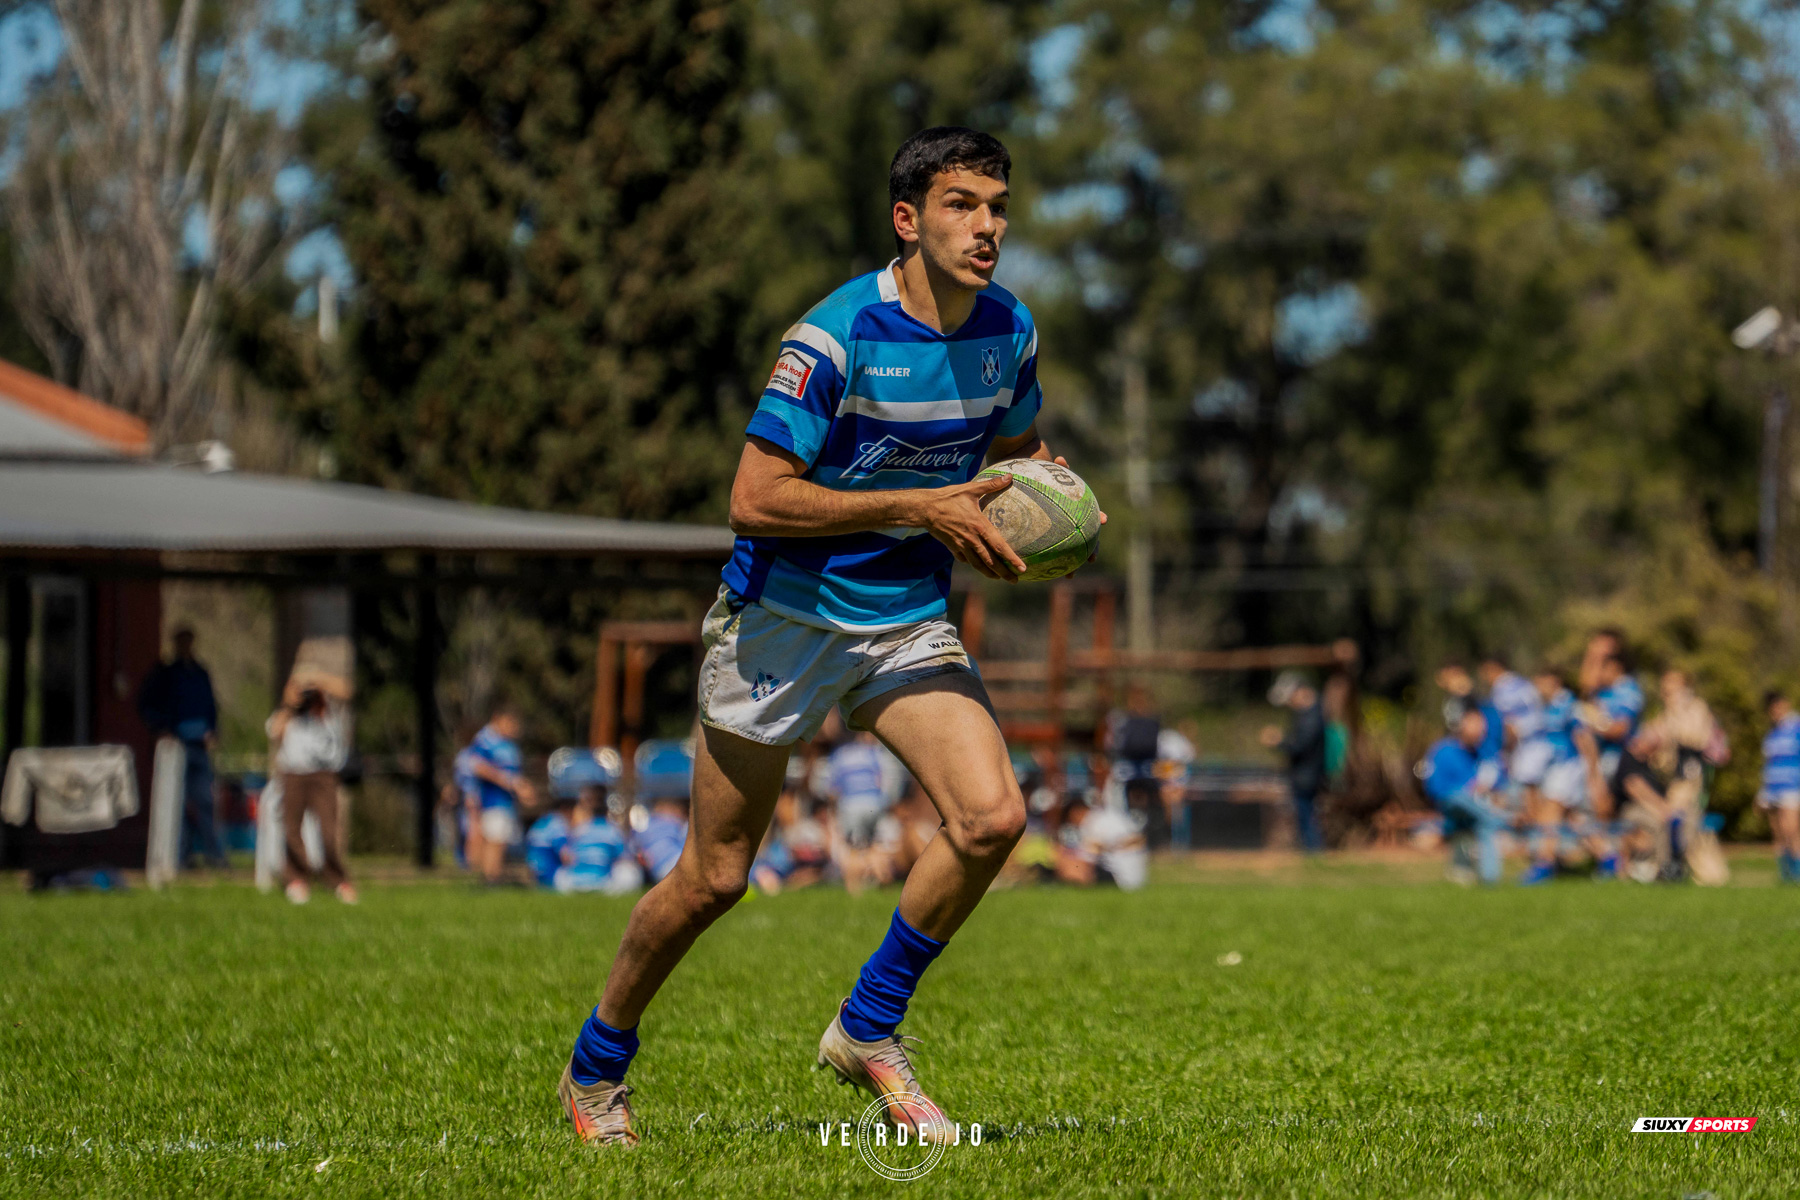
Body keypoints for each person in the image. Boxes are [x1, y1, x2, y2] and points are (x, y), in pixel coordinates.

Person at [556, 127, 1102, 1146]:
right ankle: (596, 1067)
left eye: (998, 206)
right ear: (908, 219)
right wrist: (919, 507)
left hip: (904, 622)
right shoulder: (833, 338)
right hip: (782, 621)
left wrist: (1061, 506)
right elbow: (754, 499)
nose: (987, 227)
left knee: (990, 819)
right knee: (715, 878)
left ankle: (868, 1028)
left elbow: (1020, 451)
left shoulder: (1010, 331)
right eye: (961, 205)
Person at [137, 627, 225, 869]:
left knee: (205, 799)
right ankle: (181, 856)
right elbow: (145, 704)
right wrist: (162, 728)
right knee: (177, 801)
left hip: (200, 745)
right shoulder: (164, 673)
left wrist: (213, 730)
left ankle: (215, 855)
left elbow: (210, 705)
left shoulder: (200, 672)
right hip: (176, 746)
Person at [265, 669, 356, 904]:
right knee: (291, 827)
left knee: (328, 829)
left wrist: (317, 682)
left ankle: (337, 879)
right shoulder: (289, 713)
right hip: (294, 773)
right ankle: (296, 878)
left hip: (324, 774)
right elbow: (275, 732)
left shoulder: (329, 710)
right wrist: (290, 703)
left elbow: (348, 690)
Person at [1519, 666, 1616, 884]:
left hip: (1569, 767)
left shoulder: (1568, 705)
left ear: (1553, 681)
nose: (1538, 688)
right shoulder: (1549, 707)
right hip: (1556, 768)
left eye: (1541, 682)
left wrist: (1593, 774)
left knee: (1550, 811)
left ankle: (1544, 864)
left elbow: (1585, 739)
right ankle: (1608, 857)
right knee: (1574, 819)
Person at [1420, 708, 1508, 885]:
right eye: (1476, 725)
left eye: (1482, 728)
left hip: (1475, 803)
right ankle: (1506, 823)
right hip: (1452, 800)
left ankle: (1485, 878)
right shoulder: (1443, 750)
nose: (1480, 731)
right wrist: (1468, 790)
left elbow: (1497, 778)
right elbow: (1435, 786)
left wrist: (1486, 787)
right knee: (1490, 818)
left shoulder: (1481, 754)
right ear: (1462, 726)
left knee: (1483, 824)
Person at [461, 707, 535, 885]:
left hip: (506, 801)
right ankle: (491, 880)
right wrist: (509, 783)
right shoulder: (486, 740)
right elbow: (477, 766)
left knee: (498, 840)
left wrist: (522, 788)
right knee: (495, 840)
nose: (514, 728)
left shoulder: (507, 744)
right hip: (492, 800)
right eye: (510, 723)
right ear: (498, 719)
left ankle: (491, 878)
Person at [1261, 672, 1326, 853]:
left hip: (1308, 776)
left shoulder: (1312, 716)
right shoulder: (1308, 714)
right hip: (1304, 774)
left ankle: (1313, 851)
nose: (1289, 703)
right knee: (1304, 815)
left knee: (1307, 815)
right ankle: (1310, 851)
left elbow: (1300, 745)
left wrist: (1278, 742)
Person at [1758, 689, 1800, 884]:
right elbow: (1768, 764)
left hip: (1793, 785)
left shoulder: (1796, 726)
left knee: (1791, 829)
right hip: (1773, 787)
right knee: (1778, 833)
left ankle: (1797, 870)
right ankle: (1786, 874)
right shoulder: (1772, 733)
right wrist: (1762, 793)